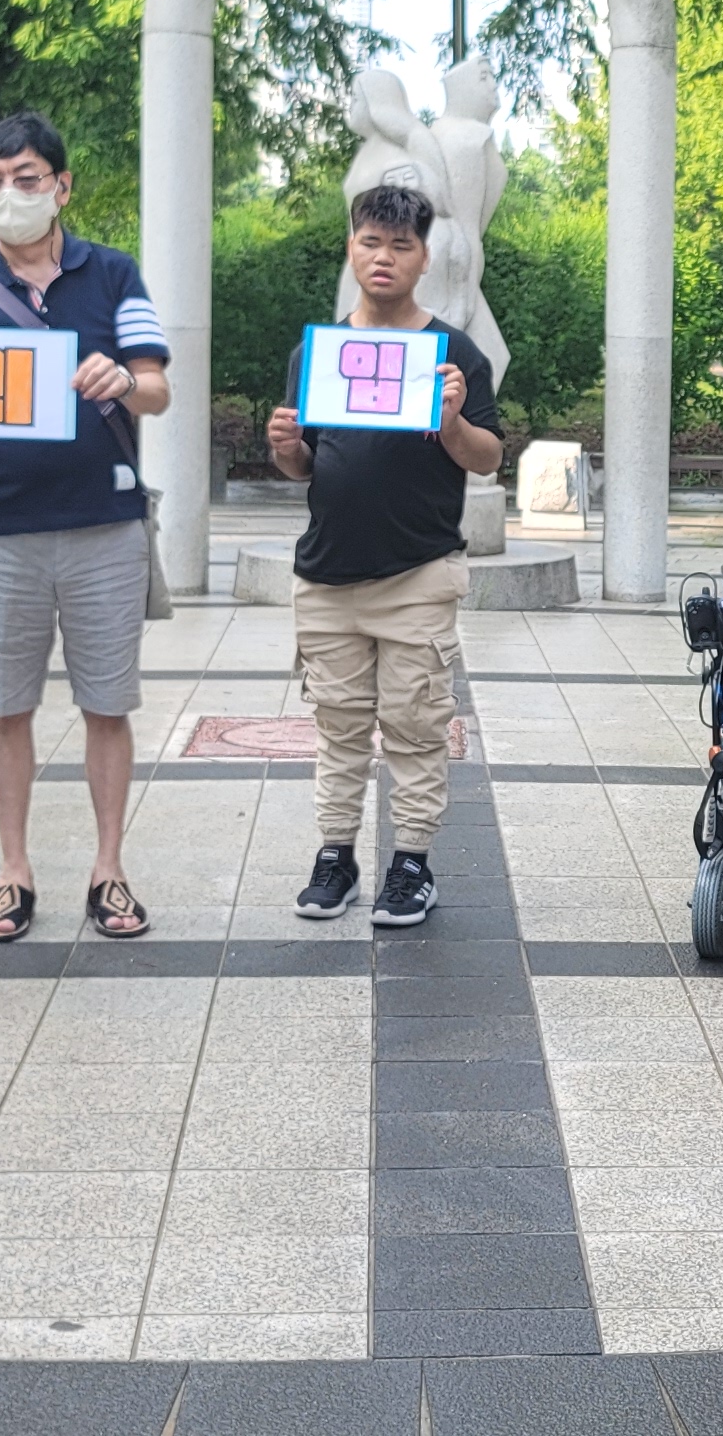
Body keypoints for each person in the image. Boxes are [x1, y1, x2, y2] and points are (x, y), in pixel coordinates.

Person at [0, 113, 169, 943]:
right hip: (1, 527)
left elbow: (157, 389)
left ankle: (109, 869)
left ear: (61, 186)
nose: (9, 195)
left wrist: (121, 378)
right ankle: (13, 871)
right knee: (7, 707)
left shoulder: (114, 274)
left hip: (104, 524)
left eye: (26, 179)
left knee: (108, 705)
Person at [265, 183, 506, 927]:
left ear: (424, 257)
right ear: (352, 248)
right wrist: (286, 448)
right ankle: (334, 856)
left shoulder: (454, 354)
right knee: (336, 726)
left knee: (415, 724)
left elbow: (488, 457)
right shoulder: (318, 353)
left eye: (401, 246)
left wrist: (453, 419)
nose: (384, 257)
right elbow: (306, 465)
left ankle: (411, 864)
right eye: (371, 242)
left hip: (418, 572)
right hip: (326, 574)